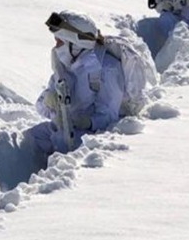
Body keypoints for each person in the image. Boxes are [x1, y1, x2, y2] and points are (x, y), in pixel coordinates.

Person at [28, 11, 125, 157]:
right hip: (62, 131)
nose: (56, 47)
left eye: (60, 42)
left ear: (76, 43)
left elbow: (110, 116)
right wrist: (48, 100)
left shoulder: (107, 69)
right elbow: (41, 108)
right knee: (31, 138)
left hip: (90, 138)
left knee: (67, 152)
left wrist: (87, 122)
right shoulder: (64, 66)